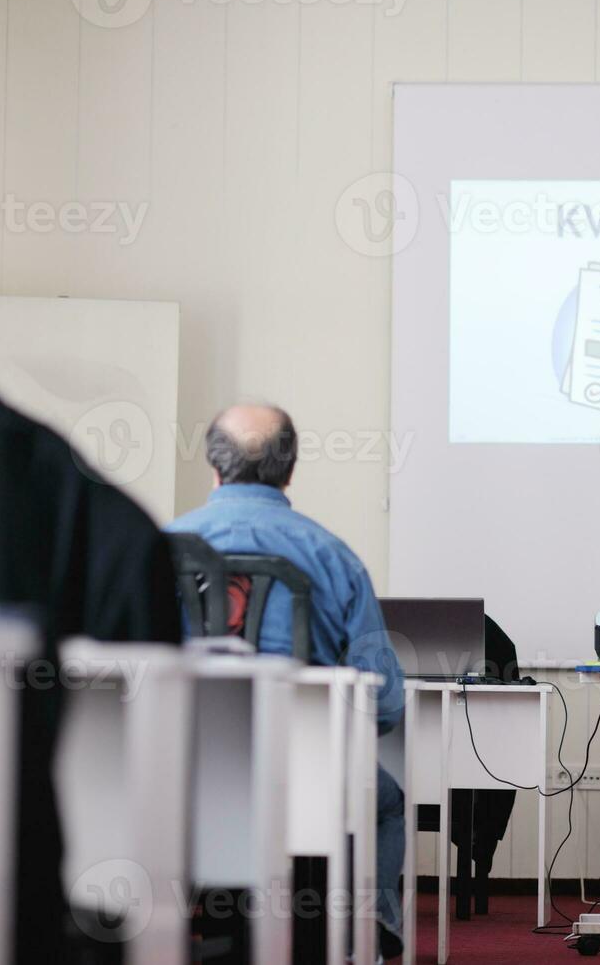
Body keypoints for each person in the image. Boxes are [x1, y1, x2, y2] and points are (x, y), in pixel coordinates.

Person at [169, 403, 407, 960]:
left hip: (182, 772)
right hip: (309, 781)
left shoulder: (156, 546)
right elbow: (385, 704)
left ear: (213, 467)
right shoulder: (334, 558)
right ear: (290, 470)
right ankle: (365, 932)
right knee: (387, 801)